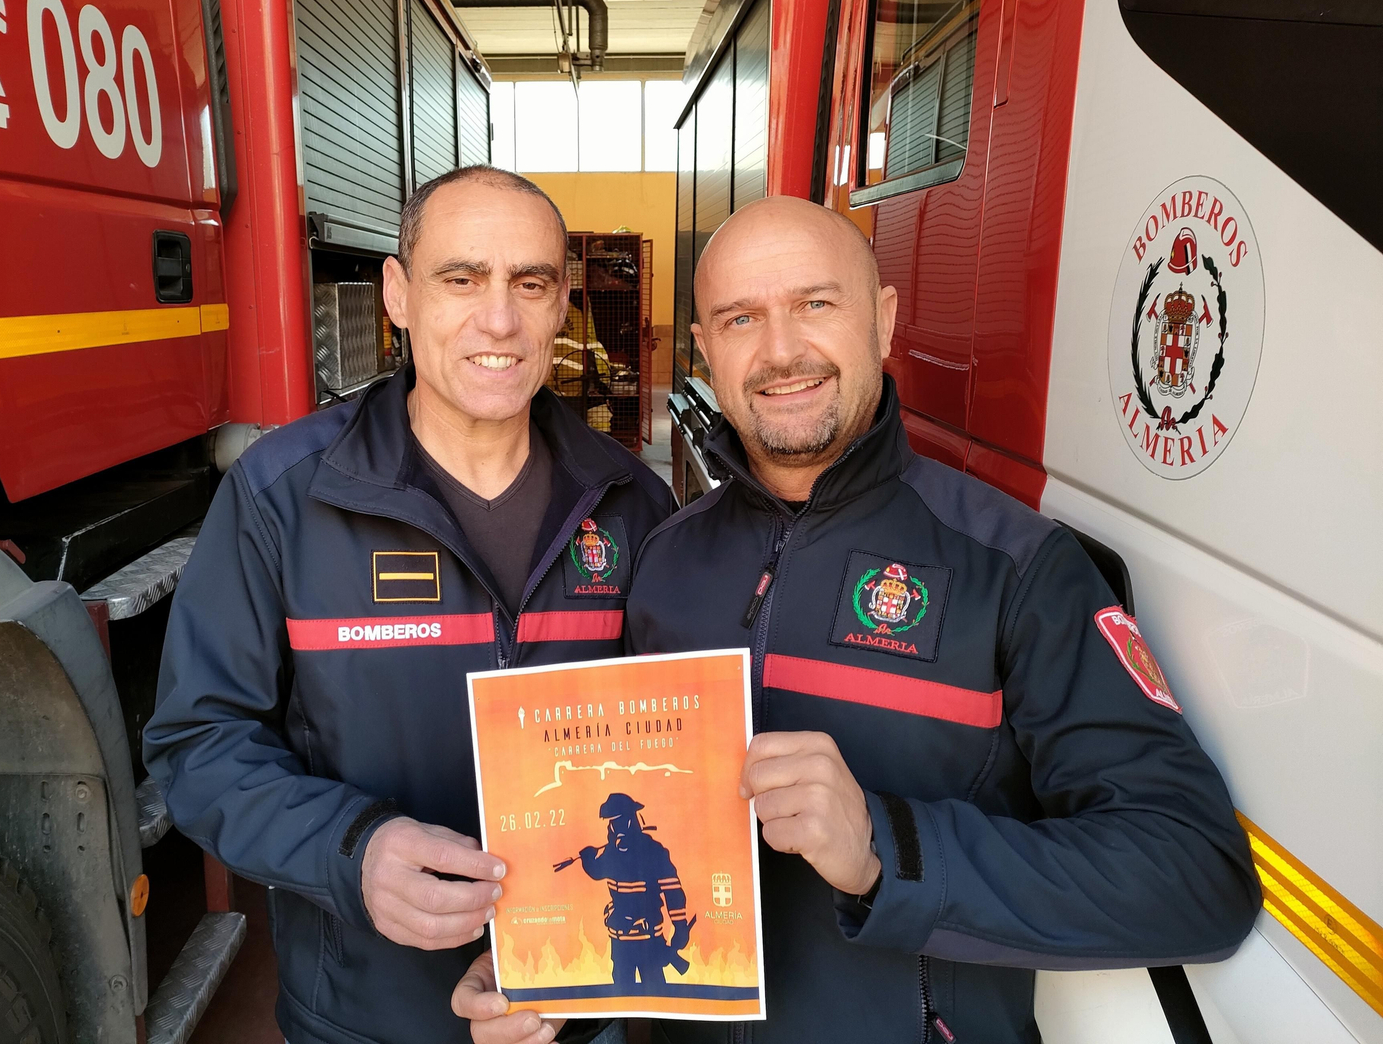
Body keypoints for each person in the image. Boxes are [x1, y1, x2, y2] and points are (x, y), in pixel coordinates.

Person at [455, 195, 1259, 1043]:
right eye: (739, 319)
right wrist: (551, 985)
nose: (780, 350)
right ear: (706, 354)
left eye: (816, 304)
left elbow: (1196, 875)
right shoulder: (666, 559)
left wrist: (887, 848)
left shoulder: (1017, 568)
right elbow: (624, 829)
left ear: (882, 322)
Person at [143, 166, 673, 1044]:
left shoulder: (633, 507)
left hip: (569, 1006)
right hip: (361, 1017)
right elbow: (199, 742)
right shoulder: (284, 499)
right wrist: (352, 851)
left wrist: (579, 982)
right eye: (461, 278)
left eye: (529, 284)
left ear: (560, 307)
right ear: (398, 294)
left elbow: (674, 762)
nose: (497, 319)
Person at [573, 793, 692, 992]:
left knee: (656, 995)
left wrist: (680, 927)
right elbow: (597, 872)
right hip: (620, 943)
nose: (614, 829)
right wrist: (588, 858)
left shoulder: (654, 851)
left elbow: (673, 892)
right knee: (621, 995)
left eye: (619, 822)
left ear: (632, 821)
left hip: (650, 940)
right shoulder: (610, 854)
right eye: (611, 824)